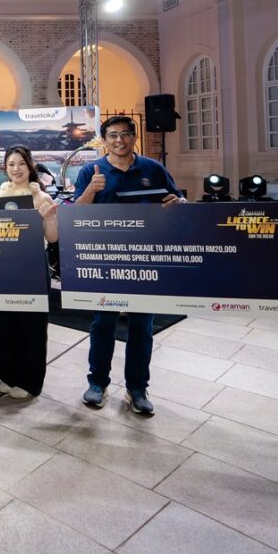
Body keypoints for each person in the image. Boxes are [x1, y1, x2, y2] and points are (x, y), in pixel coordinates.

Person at [74, 115, 187, 416]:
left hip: (144, 259)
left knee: (141, 326)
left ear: (134, 137)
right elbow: (75, 215)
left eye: (125, 134)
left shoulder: (153, 169)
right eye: (112, 135)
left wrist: (177, 204)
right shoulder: (90, 172)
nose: (119, 140)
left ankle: (137, 388)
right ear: (104, 140)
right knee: (103, 324)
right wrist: (91, 190)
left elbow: (178, 201)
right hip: (105, 260)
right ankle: (97, 383)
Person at [0, 145, 59, 399]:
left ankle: (29, 381)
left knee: (32, 327)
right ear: (5, 168)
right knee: (5, 325)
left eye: (21, 164)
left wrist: (49, 218)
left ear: (30, 166)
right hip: (2, 268)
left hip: (32, 268)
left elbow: (53, 238)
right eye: (11, 164)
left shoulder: (42, 198)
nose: (16, 169)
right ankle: (7, 374)